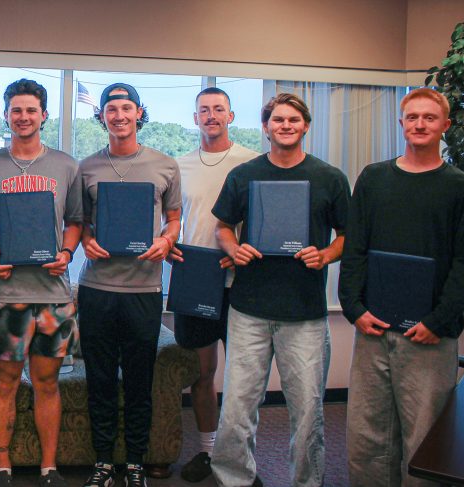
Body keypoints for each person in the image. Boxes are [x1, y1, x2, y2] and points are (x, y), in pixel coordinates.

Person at [339, 88, 464, 487]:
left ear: (445, 126)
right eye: (412, 117)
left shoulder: (463, 189)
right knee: (367, 436)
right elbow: (355, 249)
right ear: (401, 123)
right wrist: (353, 308)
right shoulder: (374, 178)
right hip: (373, 327)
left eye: (429, 118)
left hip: (430, 336)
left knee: (422, 439)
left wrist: (438, 319)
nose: (419, 124)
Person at [210, 93, 350, 487]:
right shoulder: (244, 174)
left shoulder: (330, 178)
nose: (285, 125)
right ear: (266, 127)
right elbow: (223, 225)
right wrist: (233, 248)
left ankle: (307, 481)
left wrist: (324, 256)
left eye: (293, 120)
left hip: (304, 312)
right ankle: (233, 478)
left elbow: (347, 236)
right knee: (238, 406)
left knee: (308, 410)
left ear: (305, 126)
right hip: (249, 309)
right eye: (277, 120)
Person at [0, 79, 82, 487]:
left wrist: (67, 254)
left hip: (53, 294)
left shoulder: (66, 166)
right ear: (6, 115)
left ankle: (48, 468)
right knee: (3, 381)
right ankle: (2, 467)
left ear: (44, 116)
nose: (23, 117)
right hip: (5, 293)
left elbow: (75, 222)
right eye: (16, 110)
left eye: (31, 110)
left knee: (47, 382)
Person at [77, 83, 181, 487]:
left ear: (139, 113)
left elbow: (173, 218)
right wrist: (85, 240)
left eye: (126, 108)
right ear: (101, 116)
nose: (118, 115)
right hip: (97, 290)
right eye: (111, 109)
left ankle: (135, 463)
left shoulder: (164, 165)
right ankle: (103, 462)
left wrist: (166, 241)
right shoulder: (85, 167)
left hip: (144, 291)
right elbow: (80, 223)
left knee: (140, 381)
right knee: (100, 380)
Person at [170, 87, 259, 483]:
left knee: (244, 381)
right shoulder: (179, 166)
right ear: (195, 118)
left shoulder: (253, 163)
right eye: (204, 110)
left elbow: (264, 223)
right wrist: (166, 243)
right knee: (202, 373)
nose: (211, 115)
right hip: (196, 280)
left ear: (231, 115)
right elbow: (170, 220)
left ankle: (242, 461)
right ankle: (207, 453)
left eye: (218, 109)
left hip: (241, 282)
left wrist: (239, 248)